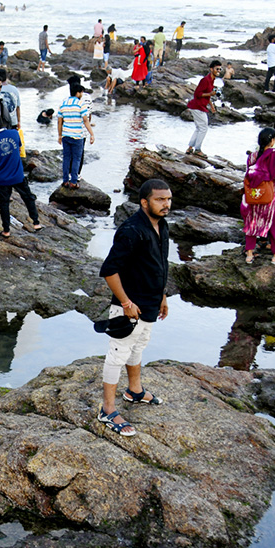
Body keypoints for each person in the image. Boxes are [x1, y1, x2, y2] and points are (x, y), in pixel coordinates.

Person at [97, 178, 172, 436]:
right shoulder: (131, 230)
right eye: (160, 200)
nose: (166, 204)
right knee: (118, 354)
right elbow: (109, 270)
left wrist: (163, 296)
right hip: (128, 307)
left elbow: (161, 263)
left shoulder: (163, 225)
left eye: (168, 199)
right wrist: (126, 302)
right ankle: (107, 410)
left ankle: (134, 391)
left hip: (151, 303)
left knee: (138, 347)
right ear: (144, 202)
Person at [0, 112, 41, 237]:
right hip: (18, 174)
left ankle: (6, 230)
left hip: (3, 178)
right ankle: (36, 223)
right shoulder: (14, 133)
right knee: (28, 197)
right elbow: (18, 150)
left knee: (4, 203)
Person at [243, 126, 275, 264]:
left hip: (252, 195)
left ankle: (249, 254)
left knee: (251, 222)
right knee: (273, 224)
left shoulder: (253, 156)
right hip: (268, 196)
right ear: (273, 140)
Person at [57, 80, 93, 189]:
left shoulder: (63, 103)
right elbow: (86, 120)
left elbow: (59, 121)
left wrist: (59, 135)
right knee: (76, 158)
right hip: (77, 135)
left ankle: (65, 181)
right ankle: (73, 181)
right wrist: (91, 134)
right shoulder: (80, 103)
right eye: (81, 93)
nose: (81, 95)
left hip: (65, 135)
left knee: (67, 158)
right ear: (78, 93)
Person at [186, 60, 221, 156]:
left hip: (200, 106)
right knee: (203, 127)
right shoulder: (205, 80)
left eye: (220, 69)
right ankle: (197, 149)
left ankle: (190, 148)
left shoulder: (212, 80)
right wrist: (210, 94)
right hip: (197, 106)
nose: (218, 71)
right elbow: (197, 94)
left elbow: (208, 95)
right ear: (211, 69)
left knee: (199, 127)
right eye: (217, 69)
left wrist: (212, 106)